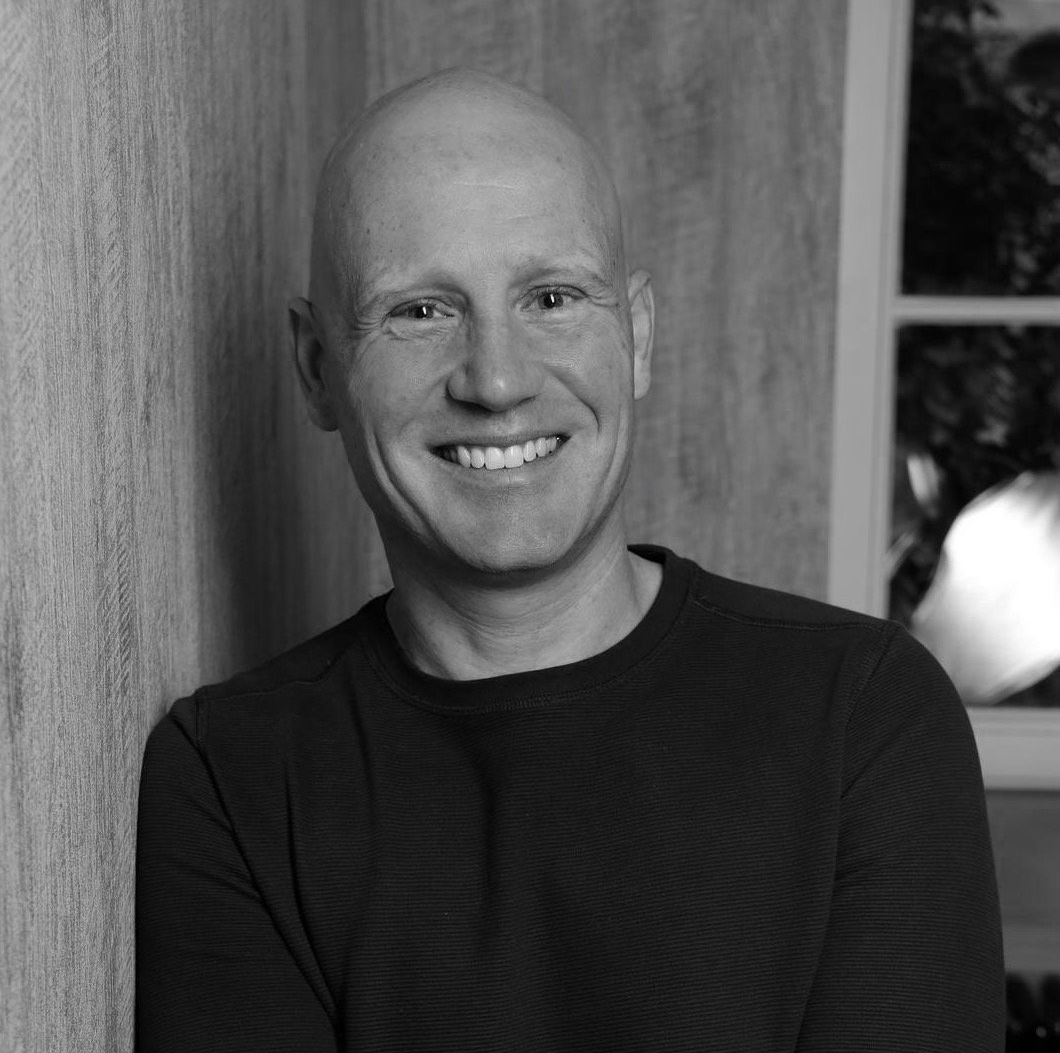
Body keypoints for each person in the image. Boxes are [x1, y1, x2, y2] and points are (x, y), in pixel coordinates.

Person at [136, 69, 1004, 1052]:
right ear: (316, 366)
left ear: (634, 335)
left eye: (551, 296)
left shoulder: (863, 714)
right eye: (419, 310)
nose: (496, 379)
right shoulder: (230, 778)